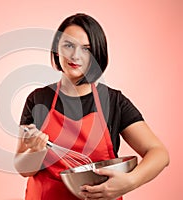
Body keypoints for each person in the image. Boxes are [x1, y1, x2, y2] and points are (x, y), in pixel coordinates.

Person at [14, 13, 169, 200]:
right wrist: (36, 150)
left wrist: (129, 182)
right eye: (68, 45)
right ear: (56, 50)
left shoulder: (114, 102)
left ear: (97, 54)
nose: (75, 55)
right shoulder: (38, 99)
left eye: (86, 49)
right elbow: (23, 169)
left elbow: (159, 153)